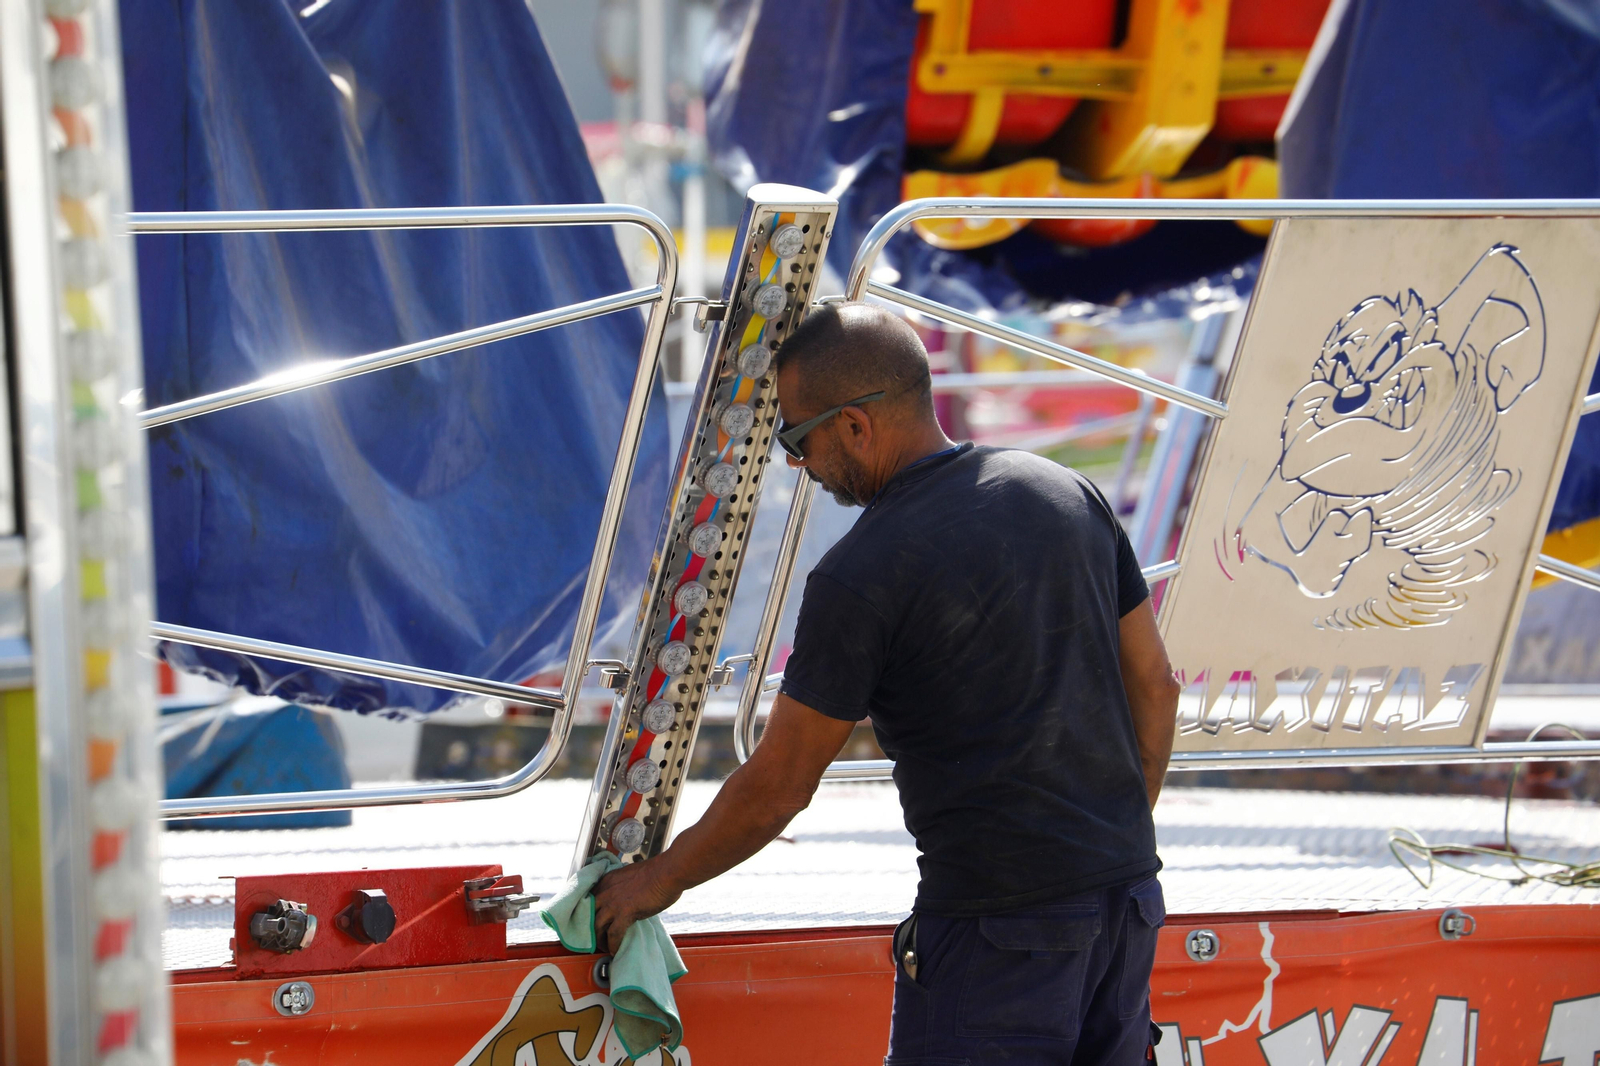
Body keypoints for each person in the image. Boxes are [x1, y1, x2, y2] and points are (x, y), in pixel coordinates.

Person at [593, 302, 1181, 1064]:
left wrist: (656, 882)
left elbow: (779, 785)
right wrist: (1111, 837)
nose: (798, 467)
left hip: (997, 929)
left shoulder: (862, 575)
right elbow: (1158, 685)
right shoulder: (1067, 494)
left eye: (796, 441)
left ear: (855, 426)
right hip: (1128, 903)